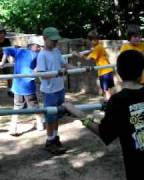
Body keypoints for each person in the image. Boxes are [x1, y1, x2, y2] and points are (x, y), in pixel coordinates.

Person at [62, 50, 144, 180]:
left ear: (119, 71)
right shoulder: (117, 101)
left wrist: (80, 115)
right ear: (141, 71)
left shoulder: (118, 100)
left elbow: (104, 133)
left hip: (137, 168)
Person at [36, 27, 74, 155]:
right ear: (45, 39)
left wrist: (79, 69)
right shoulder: (42, 55)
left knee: (57, 116)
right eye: (53, 40)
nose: (55, 43)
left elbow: (64, 65)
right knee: (50, 117)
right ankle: (50, 141)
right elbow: (42, 75)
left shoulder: (56, 51)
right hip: (49, 91)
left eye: (56, 40)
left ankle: (55, 138)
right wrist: (57, 74)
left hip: (60, 89)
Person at [0, 36, 45, 136]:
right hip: (26, 86)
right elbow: (39, 68)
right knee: (34, 106)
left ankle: (13, 127)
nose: (40, 48)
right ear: (32, 46)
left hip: (18, 85)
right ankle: (40, 124)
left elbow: (7, 50)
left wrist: (2, 62)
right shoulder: (36, 54)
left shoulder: (20, 51)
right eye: (38, 46)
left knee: (17, 107)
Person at [73, 30, 115, 100]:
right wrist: (91, 50)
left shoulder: (97, 48)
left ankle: (109, 105)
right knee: (108, 90)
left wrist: (76, 54)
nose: (94, 41)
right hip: (108, 70)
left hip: (104, 72)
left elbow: (88, 58)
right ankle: (109, 103)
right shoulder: (99, 46)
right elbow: (95, 51)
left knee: (106, 91)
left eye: (95, 39)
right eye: (92, 39)